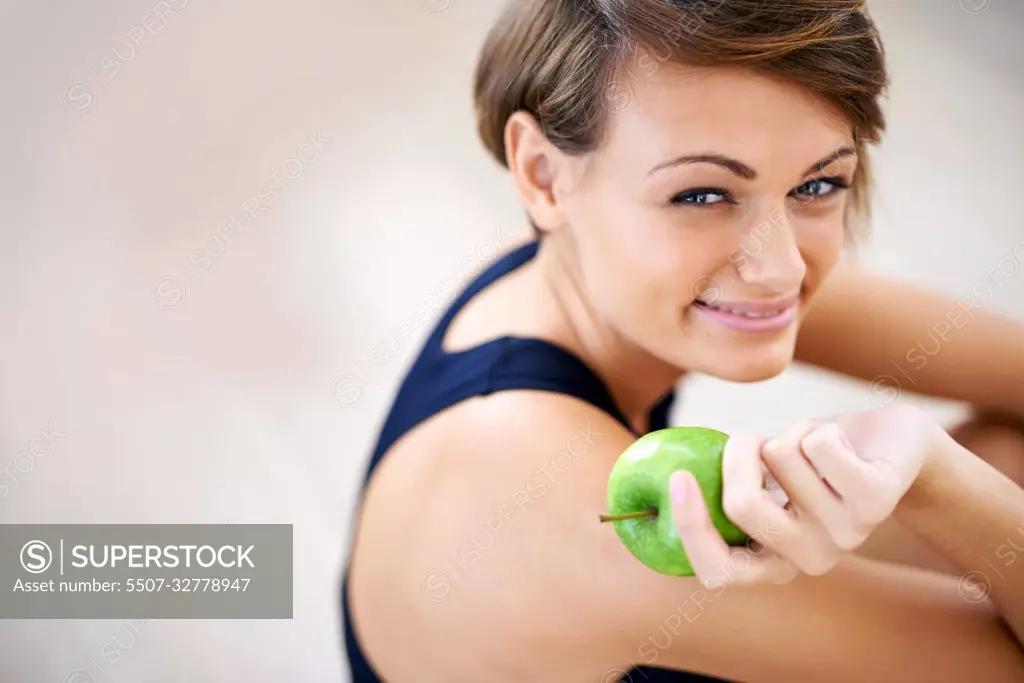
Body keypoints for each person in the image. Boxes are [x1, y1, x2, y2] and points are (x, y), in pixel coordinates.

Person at [340, 1, 1024, 681]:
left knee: (1008, 457)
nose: (781, 266)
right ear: (544, 174)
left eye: (817, 183)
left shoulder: (602, 261)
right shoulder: (542, 497)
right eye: (703, 195)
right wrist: (934, 479)